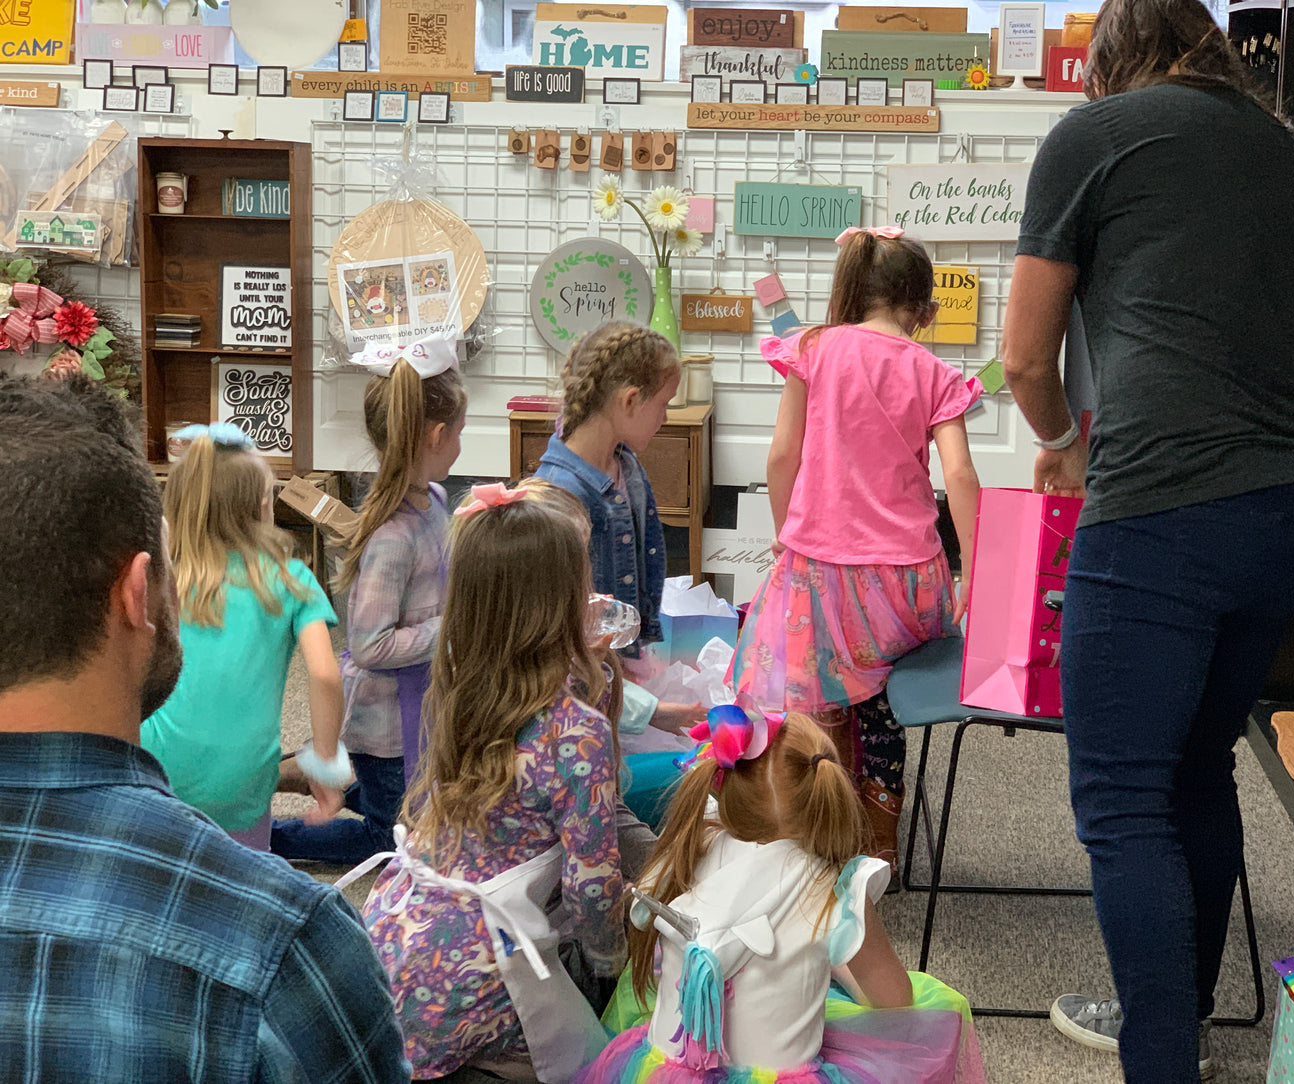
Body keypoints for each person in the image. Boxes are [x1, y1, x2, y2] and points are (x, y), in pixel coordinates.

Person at [1000, 2, 1294, 1079]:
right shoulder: (1283, 154)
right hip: (1284, 507)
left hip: (1156, 507)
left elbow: (1020, 358)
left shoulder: (1090, 138)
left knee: (1118, 795)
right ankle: (1172, 1018)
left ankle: (1157, 1057)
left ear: (1104, 61)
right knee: (1197, 766)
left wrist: (1060, 442)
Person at [0, 373, 408, 1081]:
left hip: (168, 763)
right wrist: (322, 760)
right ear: (136, 596)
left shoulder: (186, 573)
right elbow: (324, 671)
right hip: (239, 789)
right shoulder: (291, 944)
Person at [339, 480, 626, 1082]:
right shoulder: (577, 734)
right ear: (560, 604)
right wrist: (617, 962)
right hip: (476, 976)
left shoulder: (457, 690)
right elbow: (593, 893)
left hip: (385, 944)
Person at [729, 226, 982, 872]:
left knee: (823, 687)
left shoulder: (812, 349)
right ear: (922, 310)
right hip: (905, 582)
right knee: (880, 699)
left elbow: (781, 454)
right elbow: (957, 477)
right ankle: (880, 834)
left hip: (823, 575)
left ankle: (827, 825)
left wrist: (793, 537)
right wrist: (975, 575)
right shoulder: (932, 371)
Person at [580, 707, 986, 1084]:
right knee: (939, 1006)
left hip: (666, 1069)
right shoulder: (834, 887)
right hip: (781, 1072)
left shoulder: (688, 847)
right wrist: (832, 961)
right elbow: (892, 999)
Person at [272, 343, 466, 865]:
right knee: (389, 836)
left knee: (411, 806)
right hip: (385, 722)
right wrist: (451, 629)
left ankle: (307, 771)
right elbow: (370, 644)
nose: (462, 445)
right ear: (435, 436)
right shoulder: (392, 536)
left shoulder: (436, 501)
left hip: (419, 703)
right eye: (460, 433)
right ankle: (272, 839)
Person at [141, 423, 343, 849]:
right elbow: (325, 675)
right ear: (264, 505)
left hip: (154, 770)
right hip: (243, 779)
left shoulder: (163, 578)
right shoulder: (293, 581)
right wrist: (324, 765)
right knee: (241, 871)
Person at [535, 322, 707, 817]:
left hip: (618, 668)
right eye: (663, 404)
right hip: (584, 686)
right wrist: (657, 712)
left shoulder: (623, 459)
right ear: (630, 401)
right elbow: (561, 659)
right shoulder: (560, 496)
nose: (666, 417)